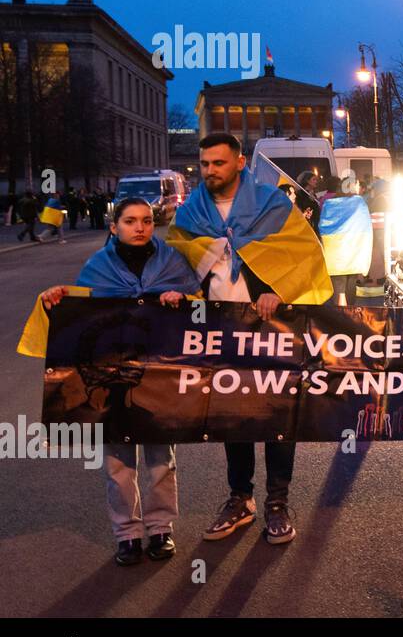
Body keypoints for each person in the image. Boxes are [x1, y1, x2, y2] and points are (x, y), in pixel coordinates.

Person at [168, 133, 332, 547]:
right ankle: (240, 499)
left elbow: (305, 253)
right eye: (205, 164)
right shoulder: (191, 211)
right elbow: (175, 259)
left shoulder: (273, 204)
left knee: (278, 413)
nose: (209, 171)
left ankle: (277, 502)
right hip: (221, 327)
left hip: (272, 324)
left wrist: (281, 288)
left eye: (218, 164)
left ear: (240, 163)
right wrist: (176, 290)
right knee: (231, 415)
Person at [38, 198, 200, 565]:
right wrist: (57, 300)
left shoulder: (172, 261)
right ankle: (127, 534)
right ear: (114, 227)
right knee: (116, 460)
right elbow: (80, 315)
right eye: (130, 221)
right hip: (110, 372)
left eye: (145, 220)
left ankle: (160, 529)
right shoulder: (98, 266)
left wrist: (185, 299)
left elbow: (202, 310)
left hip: (160, 370)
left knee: (161, 454)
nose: (139, 227)